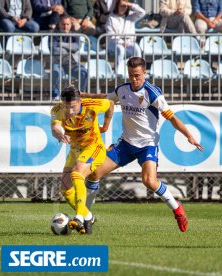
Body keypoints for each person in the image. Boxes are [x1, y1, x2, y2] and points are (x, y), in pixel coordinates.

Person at [80, 57, 203, 232]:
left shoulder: (152, 93)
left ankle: (177, 209)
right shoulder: (122, 89)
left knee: (149, 181)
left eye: (137, 75)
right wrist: (84, 96)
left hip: (147, 145)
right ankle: (86, 216)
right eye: (131, 75)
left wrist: (189, 136)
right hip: (126, 144)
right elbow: (105, 99)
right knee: (94, 174)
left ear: (144, 73)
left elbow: (172, 118)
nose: (134, 79)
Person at [51, 85, 114, 234]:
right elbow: (54, 127)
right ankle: (88, 215)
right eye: (67, 107)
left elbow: (110, 103)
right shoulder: (57, 110)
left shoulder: (92, 105)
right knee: (65, 189)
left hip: (94, 147)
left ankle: (79, 217)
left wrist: (105, 126)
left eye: (72, 107)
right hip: (75, 150)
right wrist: (59, 133)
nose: (70, 111)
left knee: (77, 173)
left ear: (80, 101)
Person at [50, 15, 88, 100]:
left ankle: (80, 95)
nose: (65, 26)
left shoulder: (75, 34)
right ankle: (56, 96)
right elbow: (54, 49)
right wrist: (70, 49)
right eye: (63, 24)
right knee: (56, 72)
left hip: (72, 63)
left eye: (67, 24)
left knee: (84, 73)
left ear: (71, 25)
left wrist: (61, 44)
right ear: (59, 24)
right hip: (58, 62)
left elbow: (77, 47)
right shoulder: (53, 34)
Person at [106, 0, 145, 66]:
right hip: (114, 43)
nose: (123, 8)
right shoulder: (111, 18)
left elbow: (142, 12)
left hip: (129, 42)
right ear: (117, 6)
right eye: (121, 6)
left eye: (125, 6)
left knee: (137, 49)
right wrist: (121, 42)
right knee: (121, 50)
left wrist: (130, 4)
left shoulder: (131, 16)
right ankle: (118, 71)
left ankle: (137, 69)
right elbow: (111, 34)